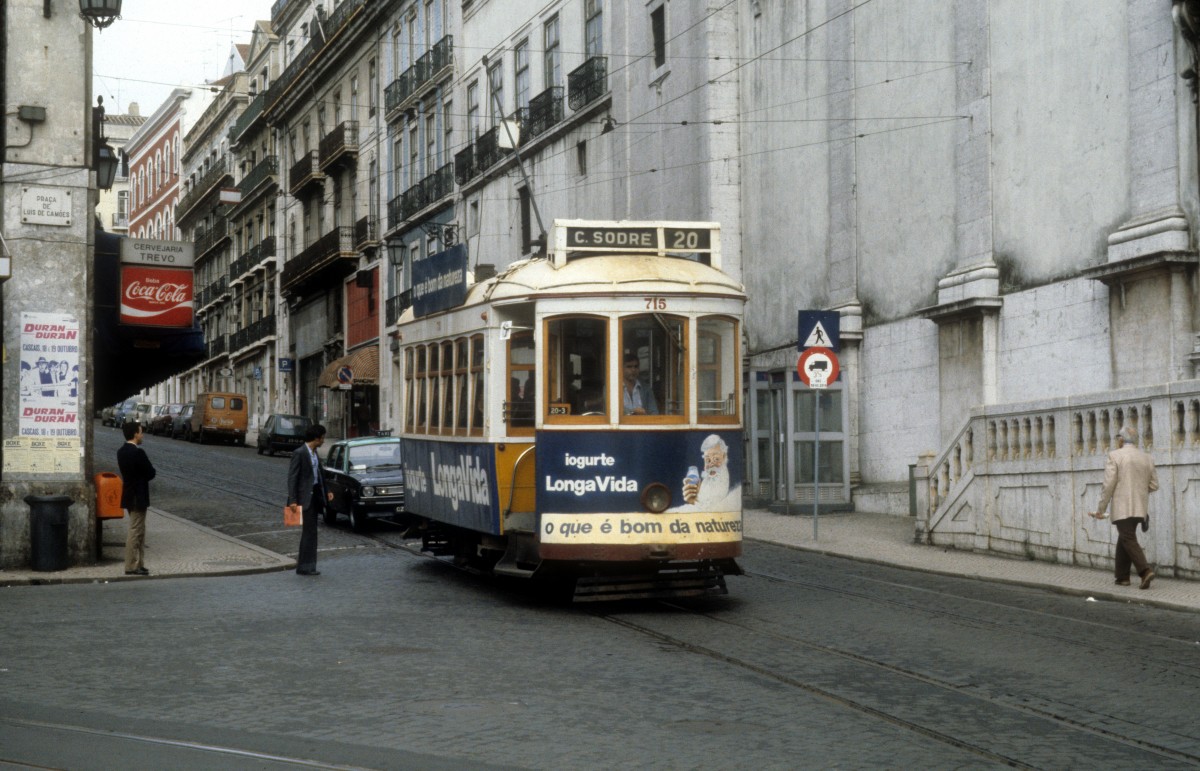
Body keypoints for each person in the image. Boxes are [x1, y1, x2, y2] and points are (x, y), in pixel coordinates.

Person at [1089, 426, 1159, 589]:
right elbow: (1154, 485)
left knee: (1127, 538)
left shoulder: (1115, 455)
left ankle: (1145, 571)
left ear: (1121, 439)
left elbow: (1108, 485)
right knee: (1125, 537)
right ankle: (1122, 577)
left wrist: (1100, 509)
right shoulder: (1147, 458)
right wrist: (1139, 491)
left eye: (1117, 439)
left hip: (1123, 507)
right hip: (1140, 507)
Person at [287, 423, 333, 576]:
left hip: (315, 497)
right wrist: (293, 500)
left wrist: (327, 491)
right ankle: (305, 567)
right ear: (316, 438)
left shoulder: (314, 453)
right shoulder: (299, 453)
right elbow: (292, 478)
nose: (323, 441)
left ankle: (308, 566)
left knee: (311, 532)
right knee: (309, 532)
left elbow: (320, 474)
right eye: (322, 438)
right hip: (304, 498)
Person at [117, 421, 156, 576]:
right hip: (138, 495)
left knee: (139, 530)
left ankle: (139, 563)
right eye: (141, 432)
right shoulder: (138, 453)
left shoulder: (121, 451)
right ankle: (131, 565)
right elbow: (151, 472)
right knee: (135, 530)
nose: (142, 435)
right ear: (135, 434)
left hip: (128, 494)